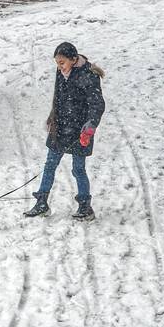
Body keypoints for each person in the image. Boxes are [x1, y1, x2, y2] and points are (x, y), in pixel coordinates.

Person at [25, 41, 106, 221]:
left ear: (74, 59)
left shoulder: (88, 75)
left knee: (78, 169)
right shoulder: (61, 72)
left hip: (80, 130)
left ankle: (85, 207)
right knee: (49, 165)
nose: (59, 67)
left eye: (62, 62)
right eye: (57, 63)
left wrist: (90, 126)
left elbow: (97, 104)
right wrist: (52, 116)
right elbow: (58, 96)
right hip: (60, 127)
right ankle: (41, 203)